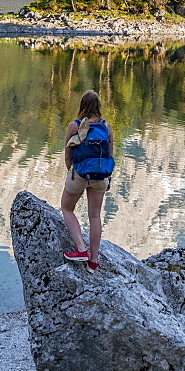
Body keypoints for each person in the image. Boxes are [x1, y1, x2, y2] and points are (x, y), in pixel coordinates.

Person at [61, 89, 113, 273]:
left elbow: (68, 154)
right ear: (98, 107)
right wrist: (108, 178)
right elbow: (110, 154)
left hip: (79, 174)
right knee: (95, 216)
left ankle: (81, 249)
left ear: (82, 105)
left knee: (67, 208)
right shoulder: (106, 127)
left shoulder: (74, 126)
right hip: (101, 175)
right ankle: (93, 261)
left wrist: (73, 174)